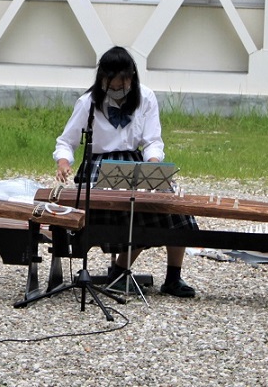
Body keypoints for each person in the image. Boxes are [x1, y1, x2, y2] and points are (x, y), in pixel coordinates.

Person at [53, 46, 197, 297]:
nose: (119, 88)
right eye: (113, 84)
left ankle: (173, 277)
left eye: (124, 83)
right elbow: (67, 141)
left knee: (172, 208)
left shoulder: (146, 98)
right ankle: (120, 272)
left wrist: (153, 165)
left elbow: (152, 140)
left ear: (132, 78)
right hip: (98, 165)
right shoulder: (88, 103)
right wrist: (63, 163)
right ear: (103, 79)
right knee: (132, 213)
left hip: (135, 162)